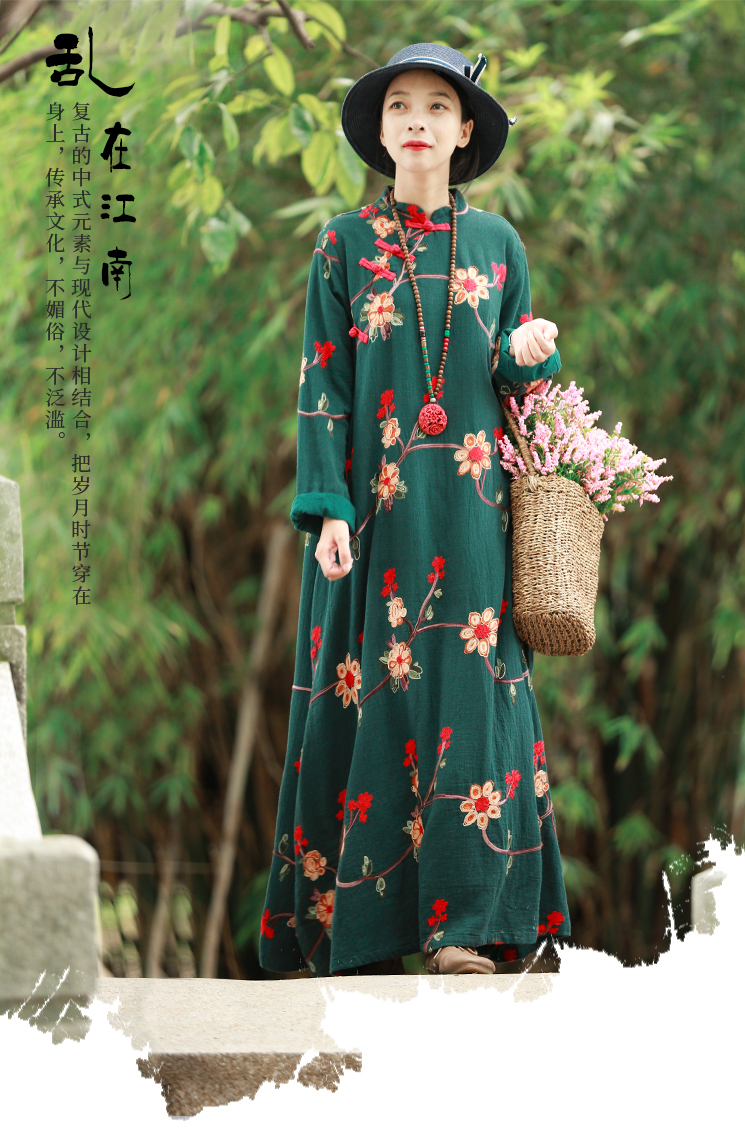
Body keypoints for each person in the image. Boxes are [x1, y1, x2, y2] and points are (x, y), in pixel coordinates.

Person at [258, 43, 570, 977]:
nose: (418, 120)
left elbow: (517, 392)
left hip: (474, 512)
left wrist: (530, 353)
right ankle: (361, 932)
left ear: (465, 130)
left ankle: (462, 929)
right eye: (401, 105)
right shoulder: (341, 244)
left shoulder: (500, 244)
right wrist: (328, 510)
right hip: (375, 515)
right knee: (372, 692)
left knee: (472, 698)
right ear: (382, 130)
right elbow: (322, 383)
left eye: (438, 105)